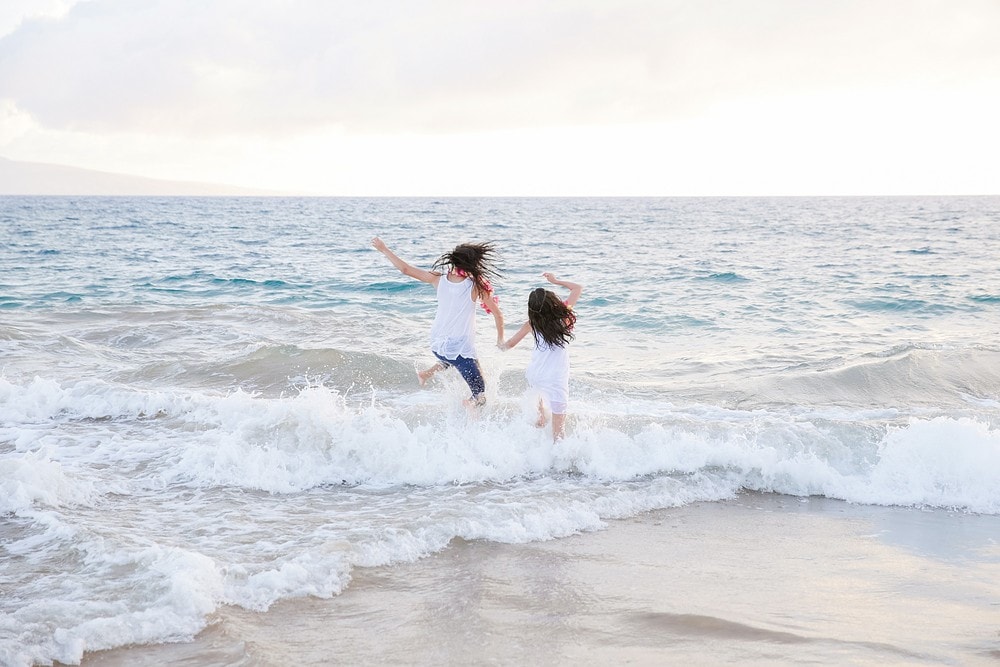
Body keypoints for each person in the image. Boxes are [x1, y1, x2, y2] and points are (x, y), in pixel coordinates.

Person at [371, 237, 504, 407]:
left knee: (453, 358)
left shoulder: (438, 278)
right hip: (458, 348)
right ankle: (472, 421)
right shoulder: (475, 286)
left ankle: (426, 374)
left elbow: (405, 269)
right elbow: (498, 314)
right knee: (480, 393)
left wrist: (384, 249)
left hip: (437, 343)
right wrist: (500, 340)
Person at [500, 272, 582, 440]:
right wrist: (556, 281)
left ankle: (534, 446)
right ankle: (556, 461)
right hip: (556, 377)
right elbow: (577, 288)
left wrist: (498, 339)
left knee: (540, 418)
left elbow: (508, 345)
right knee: (558, 432)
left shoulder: (532, 324)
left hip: (535, 374)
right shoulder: (564, 318)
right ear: (553, 303)